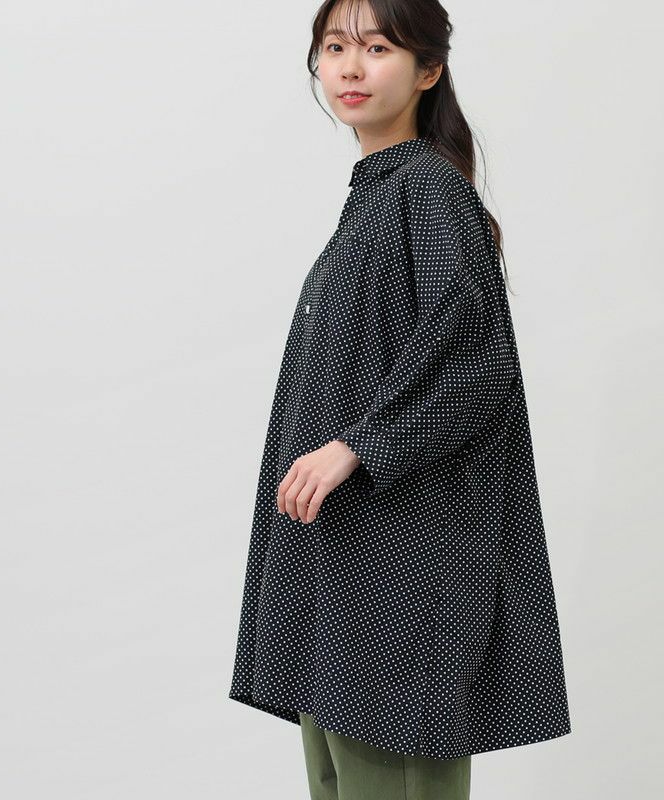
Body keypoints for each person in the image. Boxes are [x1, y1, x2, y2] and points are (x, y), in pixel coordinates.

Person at [228, 1, 572, 797]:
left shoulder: (427, 190)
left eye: (378, 47)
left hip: (400, 562)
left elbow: (477, 366)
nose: (350, 67)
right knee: (338, 776)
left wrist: (357, 445)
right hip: (351, 552)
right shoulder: (378, 195)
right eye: (335, 47)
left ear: (428, 70)